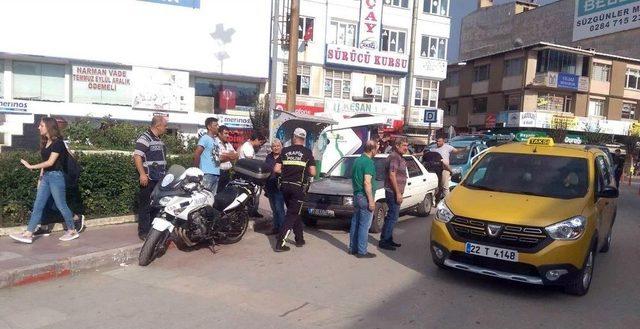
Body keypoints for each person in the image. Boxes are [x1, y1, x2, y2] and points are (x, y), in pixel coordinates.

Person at [10, 117, 80, 244]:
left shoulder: (58, 143)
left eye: (41, 125)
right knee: (38, 205)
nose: (38, 127)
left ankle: (72, 229)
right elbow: (45, 164)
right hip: (46, 177)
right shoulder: (45, 142)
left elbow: (50, 162)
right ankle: (28, 233)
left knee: (61, 205)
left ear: (48, 127)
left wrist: (31, 166)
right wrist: (40, 178)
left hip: (56, 177)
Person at [274, 128, 316, 252]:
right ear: (304, 139)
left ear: (294, 137)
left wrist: (286, 173)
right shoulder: (307, 152)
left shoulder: (285, 150)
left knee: (294, 212)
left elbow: (276, 169)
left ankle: (299, 239)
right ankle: (280, 243)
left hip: (284, 186)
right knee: (291, 214)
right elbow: (313, 172)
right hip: (298, 187)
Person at [133, 115, 168, 241]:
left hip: (159, 179)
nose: (166, 128)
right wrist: (142, 174)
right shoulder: (145, 137)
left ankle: (153, 231)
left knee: (156, 205)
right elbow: (137, 156)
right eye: (165, 125)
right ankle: (143, 232)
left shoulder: (159, 139)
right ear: (158, 126)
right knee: (145, 206)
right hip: (148, 179)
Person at [349, 140, 378, 258]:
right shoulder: (368, 162)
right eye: (376, 148)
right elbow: (367, 182)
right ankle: (362, 251)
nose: (377, 151)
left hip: (356, 195)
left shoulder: (357, 160)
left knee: (355, 223)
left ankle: (353, 248)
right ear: (372, 150)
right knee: (364, 225)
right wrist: (371, 201)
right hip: (364, 196)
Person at [379, 137, 409, 251]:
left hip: (395, 191)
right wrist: (398, 193)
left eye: (407, 145)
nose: (406, 148)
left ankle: (388, 238)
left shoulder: (399, 157)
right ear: (397, 146)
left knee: (392, 216)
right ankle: (384, 241)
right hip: (393, 191)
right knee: (393, 216)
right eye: (404, 146)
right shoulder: (394, 157)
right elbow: (392, 175)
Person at [238, 133, 267, 217]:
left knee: (254, 194)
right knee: (253, 194)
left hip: (248, 174)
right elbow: (250, 161)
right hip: (248, 175)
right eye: (260, 142)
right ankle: (250, 212)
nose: (260, 144)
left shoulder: (249, 146)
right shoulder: (248, 147)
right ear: (256, 139)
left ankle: (253, 211)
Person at [193, 117, 220, 193]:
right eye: (215, 125)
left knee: (211, 199)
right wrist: (196, 170)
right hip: (207, 174)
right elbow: (197, 154)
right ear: (209, 127)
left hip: (216, 174)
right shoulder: (204, 138)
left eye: (218, 125)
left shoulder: (215, 140)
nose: (218, 127)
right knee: (203, 196)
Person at [264, 139, 285, 235]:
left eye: (278, 146)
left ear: (281, 147)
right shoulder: (269, 156)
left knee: (279, 208)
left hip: (279, 185)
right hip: (269, 184)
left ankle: (282, 230)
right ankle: (276, 227)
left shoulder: (284, 156)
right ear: (271, 148)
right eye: (274, 146)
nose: (276, 148)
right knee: (273, 208)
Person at [215, 125, 239, 193]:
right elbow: (218, 158)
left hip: (227, 173)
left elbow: (236, 155)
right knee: (216, 193)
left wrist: (226, 156)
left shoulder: (228, 144)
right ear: (219, 133)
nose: (228, 135)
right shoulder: (215, 143)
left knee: (225, 193)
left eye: (228, 133)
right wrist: (230, 156)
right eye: (225, 133)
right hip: (218, 173)